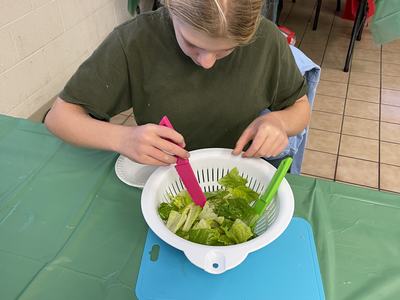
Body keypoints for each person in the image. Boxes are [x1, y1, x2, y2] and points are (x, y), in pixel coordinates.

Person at [45, 0, 310, 168]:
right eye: (192, 44)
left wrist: (279, 123)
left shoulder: (268, 42)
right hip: (162, 175)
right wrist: (123, 138)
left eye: (225, 50)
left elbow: (299, 107)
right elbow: (59, 118)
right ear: (170, 5)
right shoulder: (135, 42)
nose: (206, 63)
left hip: (239, 172)